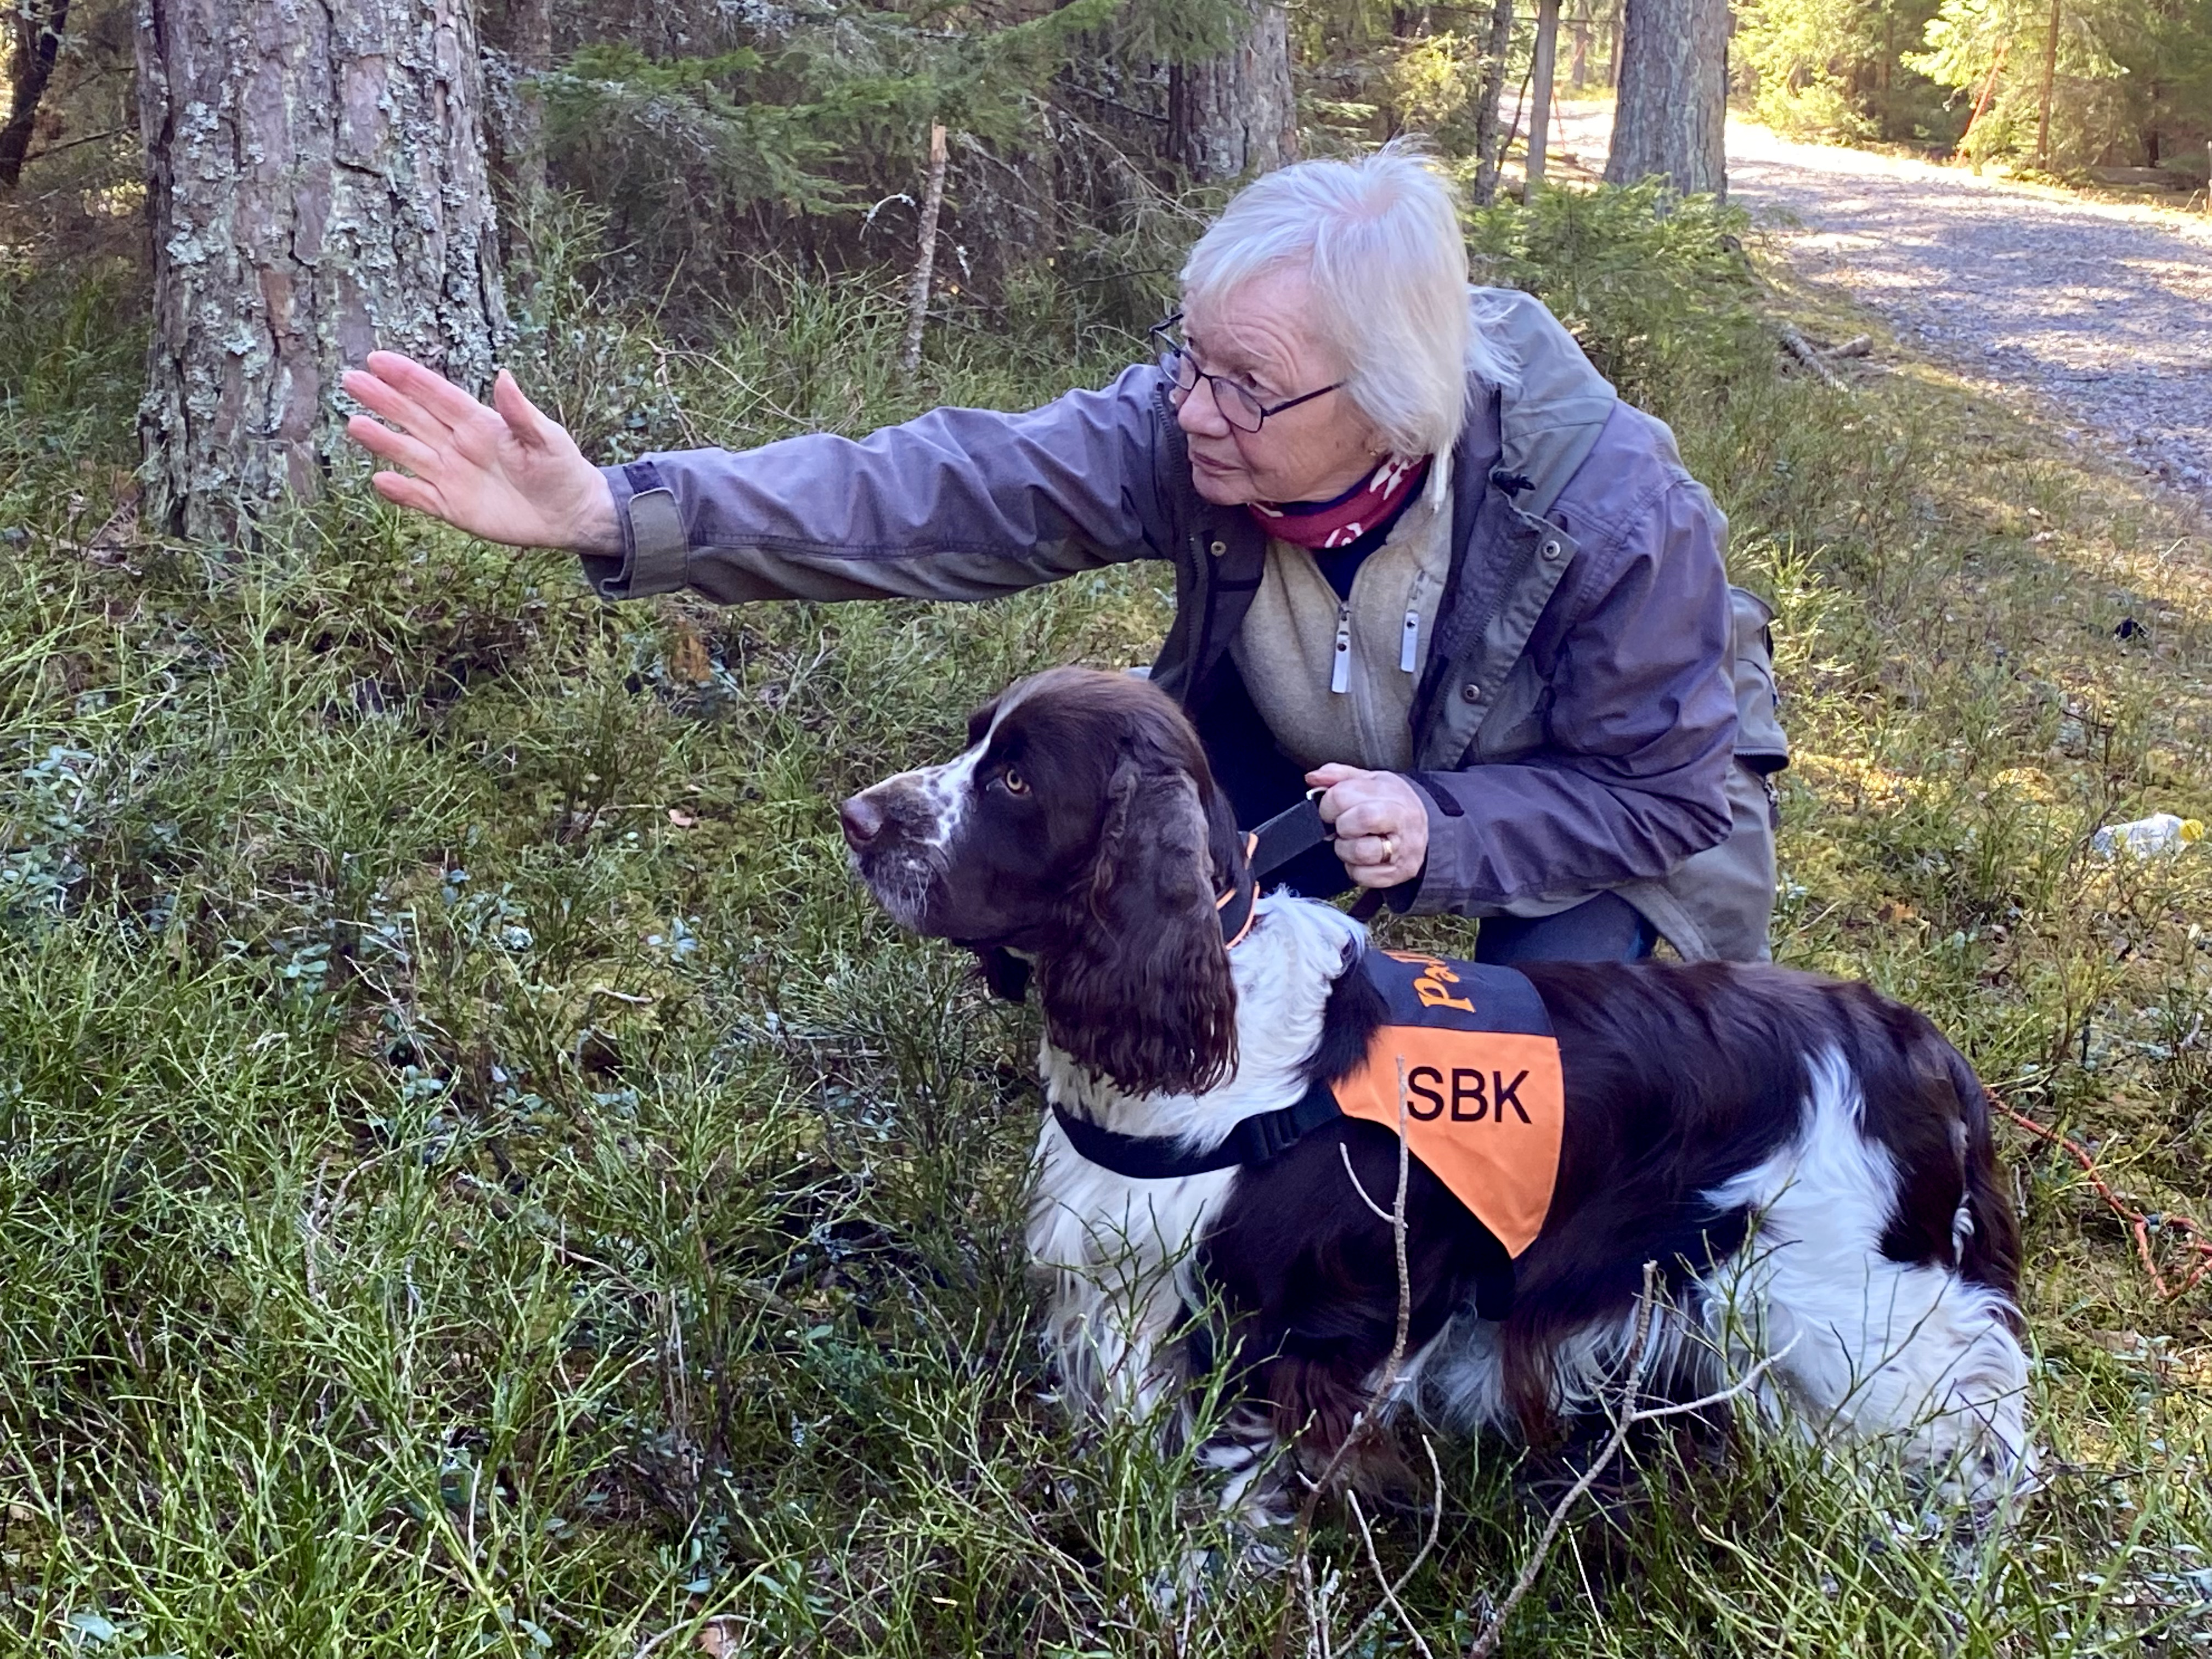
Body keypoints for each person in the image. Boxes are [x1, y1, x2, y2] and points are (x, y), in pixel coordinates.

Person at [342, 145, 1787, 965]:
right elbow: (936, 495)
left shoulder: (1606, 510)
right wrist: (618, 511)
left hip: (1594, 816)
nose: (1191, 413)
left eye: (1242, 387)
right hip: (1324, 769)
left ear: (1383, 403)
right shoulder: (1198, 426)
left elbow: (1670, 789)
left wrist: (1449, 832)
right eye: (1188, 360)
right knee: (1132, 895)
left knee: (1562, 1076)